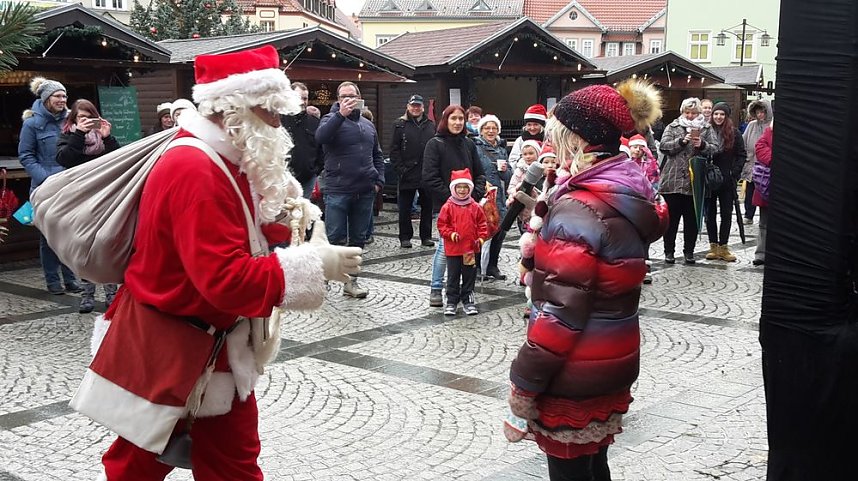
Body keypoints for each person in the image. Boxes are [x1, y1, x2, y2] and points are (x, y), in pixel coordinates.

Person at [70, 45, 362, 481]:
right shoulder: (194, 167)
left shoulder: (223, 158)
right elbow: (224, 279)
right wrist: (313, 265)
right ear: (235, 109)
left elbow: (236, 234)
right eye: (272, 112)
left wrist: (284, 222)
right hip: (171, 344)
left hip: (209, 345)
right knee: (137, 464)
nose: (280, 126)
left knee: (225, 464)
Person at [506, 80, 667, 480]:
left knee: (570, 471)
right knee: (595, 467)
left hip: (574, 372)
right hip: (611, 357)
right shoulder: (625, 194)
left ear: (578, 139)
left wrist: (523, 384)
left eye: (557, 134)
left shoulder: (578, 209)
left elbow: (560, 314)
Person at [316, 81, 384, 298]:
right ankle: (324, 279)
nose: (348, 99)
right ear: (338, 99)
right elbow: (321, 138)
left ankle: (351, 283)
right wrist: (340, 116)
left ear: (359, 97)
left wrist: (378, 180)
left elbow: (378, 154)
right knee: (334, 238)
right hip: (338, 189)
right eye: (344, 96)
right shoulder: (330, 119)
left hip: (364, 190)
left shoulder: (367, 124)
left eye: (352, 96)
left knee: (358, 241)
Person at [55, 99, 121, 313]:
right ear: (74, 119)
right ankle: (87, 295)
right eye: (81, 118)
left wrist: (107, 137)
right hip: (79, 199)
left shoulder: (102, 138)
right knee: (84, 246)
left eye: (89, 117)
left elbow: (117, 160)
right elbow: (64, 159)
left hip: (103, 198)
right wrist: (79, 135)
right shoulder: (69, 135)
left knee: (106, 244)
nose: (86, 122)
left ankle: (111, 294)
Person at [18, 77, 81, 295]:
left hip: (68, 186)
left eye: (64, 96)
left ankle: (71, 278)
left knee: (68, 234)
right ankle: (53, 281)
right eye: (57, 96)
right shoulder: (32, 124)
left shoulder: (70, 122)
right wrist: (45, 178)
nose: (62, 100)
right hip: (44, 187)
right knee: (47, 237)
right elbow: (26, 155)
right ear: (46, 98)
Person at [422, 105, 486, 307]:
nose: (458, 122)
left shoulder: (468, 144)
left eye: (461, 119)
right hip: (446, 207)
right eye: (453, 119)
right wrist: (452, 198)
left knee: (467, 247)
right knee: (444, 248)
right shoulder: (435, 144)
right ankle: (436, 288)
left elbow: (480, 173)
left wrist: (474, 195)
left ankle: (465, 291)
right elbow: (429, 178)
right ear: (445, 120)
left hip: (470, 207)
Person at [658, 97, 718, 264]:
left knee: (692, 220)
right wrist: (681, 141)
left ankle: (689, 252)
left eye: (694, 112)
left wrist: (703, 145)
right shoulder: (674, 126)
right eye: (687, 112)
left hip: (695, 181)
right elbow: (664, 146)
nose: (690, 116)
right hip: (673, 180)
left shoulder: (706, 128)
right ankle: (669, 251)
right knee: (672, 220)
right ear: (682, 112)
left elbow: (716, 148)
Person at [437, 168, 488, 316]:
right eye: (459, 187)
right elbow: (442, 225)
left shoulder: (475, 207)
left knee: (469, 276)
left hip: (469, 249)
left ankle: (468, 300)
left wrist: (481, 238)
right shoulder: (447, 207)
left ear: (469, 189)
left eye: (465, 187)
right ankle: (452, 301)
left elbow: (482, 224)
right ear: (453, 188)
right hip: (453, 250)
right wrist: (450, 234)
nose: (462, 190)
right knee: (453, 275)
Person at [390, 94, 435, 249]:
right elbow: (394, 150)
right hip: (407, 172)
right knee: (405, 208)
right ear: (408, 106)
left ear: (422, 107)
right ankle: (404, 237)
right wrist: (400, 169)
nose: (416, 108)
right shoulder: (399, 124)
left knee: (427, 207)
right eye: (413, 105)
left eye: (418, 106)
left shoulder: (430, 125)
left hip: (426, 172)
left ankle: (426, 236)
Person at [705, 102, 746, 262]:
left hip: (727, 179)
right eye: (716, 114)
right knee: (710, 214)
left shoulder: (734, 133)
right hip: (710, 179)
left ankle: (724, 246)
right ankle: (713, 246)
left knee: (726, 213)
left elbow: (742, 155)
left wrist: (734, 173)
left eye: (721, 114)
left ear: (726, 116)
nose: (718, 117)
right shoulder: (706, 132)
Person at [472, 114, 511, 281]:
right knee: (481, 230)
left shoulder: (502, 149)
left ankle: (492, 266)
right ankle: (477, 265)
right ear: (481, 130)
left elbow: (509, 177)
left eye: (494, 128)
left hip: (499, 196)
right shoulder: (475, 147)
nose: (490, 131)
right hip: (482, 195)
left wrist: (504, 171)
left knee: (499, 230)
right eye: (487, 128)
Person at [628, 134, 661, 284]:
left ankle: (646, 269)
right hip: (629, 204)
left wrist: (650, 157)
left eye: (640, 147)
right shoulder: (626, 163)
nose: (637, 150)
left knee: (644, 239)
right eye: (634, 147)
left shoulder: (647, 164)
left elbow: (655, 176)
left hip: (644, 203)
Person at [281, 82, 321, 200]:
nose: (303, 101)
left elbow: (321, 149)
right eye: (299, 97)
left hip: (307, 180)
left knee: (304, 215)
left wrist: (315, 170)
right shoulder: (279, 120)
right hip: (284, 179)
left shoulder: (314, 122)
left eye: (305, 98)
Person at [740, 99, 773, 224]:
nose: (760, 115)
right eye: (758, 112)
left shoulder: (772, 125)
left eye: (762, 112)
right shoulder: (752, 125)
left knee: (764, 191)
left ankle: (764, 217)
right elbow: (744, 141)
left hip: (766, 165)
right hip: (752, 163)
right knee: (750, 190)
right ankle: (749, 215)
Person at [752, 123, 773, 266]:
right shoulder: (768, 133)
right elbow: (760, 148)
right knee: (764, 224)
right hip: (767, 185)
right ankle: (761, 254)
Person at [508, 104, 547, 169]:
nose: (532, 128)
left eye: (535, 124)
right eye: (529, 124)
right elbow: (512, 160)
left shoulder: (547, 139)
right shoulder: (520, 140)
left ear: (542, 125)